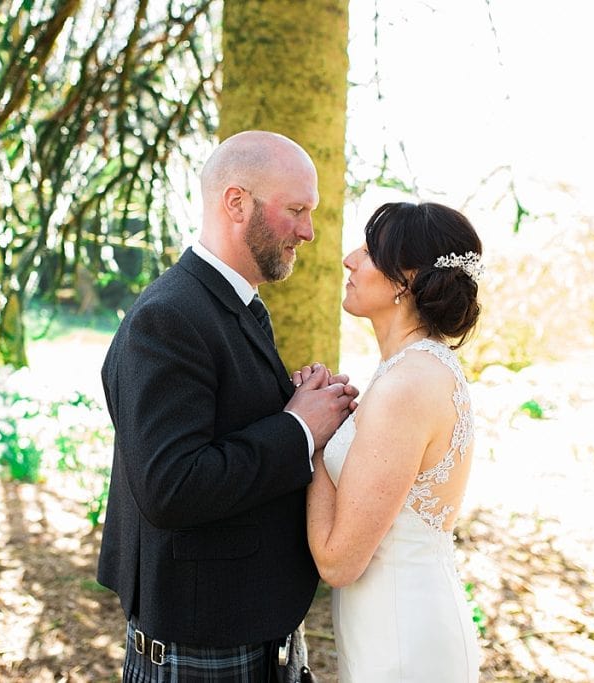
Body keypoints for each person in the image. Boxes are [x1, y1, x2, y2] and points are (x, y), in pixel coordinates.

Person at [98, 130, 358, 682]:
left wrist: (292, 401)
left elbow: (222, 422)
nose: (309, 232)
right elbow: (170, 485)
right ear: (236, 203)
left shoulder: (230, 305)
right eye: (296, 210)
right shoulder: (168, 318)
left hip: (245, 630)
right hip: (202, 646)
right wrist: (298, 429)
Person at [299, 201, 484, 682]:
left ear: (407, 279)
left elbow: (337, 562)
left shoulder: (406, 386)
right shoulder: (419, 368)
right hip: (397, 622)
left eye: (369, 250)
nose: (349, 260)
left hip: (404, 642)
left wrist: (316, 440)